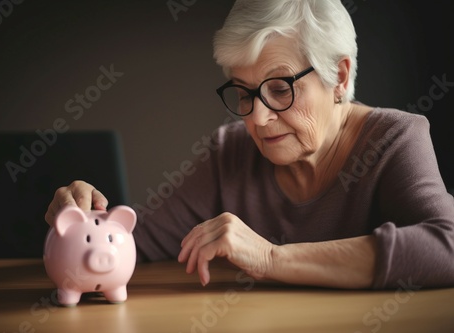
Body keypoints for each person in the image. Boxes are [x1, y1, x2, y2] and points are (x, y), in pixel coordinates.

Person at [45, 0, 454, 290]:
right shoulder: (232, 152)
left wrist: (270, 258)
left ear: (340, 77)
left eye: (280, 89)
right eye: (243, 93)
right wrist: (88, 227)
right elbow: (137, 244)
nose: (256, 119)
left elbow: (446, 246)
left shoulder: (396, 139)